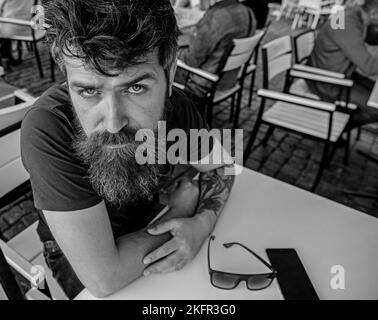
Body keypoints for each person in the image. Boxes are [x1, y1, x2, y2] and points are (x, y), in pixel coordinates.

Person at [21, 0, 235, 299]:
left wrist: (204, 221)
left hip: (147, 222)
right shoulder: (49, 127)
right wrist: (182, 209)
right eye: (89, 91)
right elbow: (105, 278)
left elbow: (222, 166)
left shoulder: (176, 107)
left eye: (135, 88)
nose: (113, 123)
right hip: (74, 253)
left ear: (170, 70)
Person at [307, 0, 378, 129]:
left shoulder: (349, 13)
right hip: (326, 81)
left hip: (333, 71)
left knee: (375, 93)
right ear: (373, 13)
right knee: (376, 108)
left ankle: (340, 117)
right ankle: (334, 129)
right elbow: (369, 67)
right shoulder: (348, 25)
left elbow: (364, 37)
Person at [175, 0, 257, 99]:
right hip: (228, 79)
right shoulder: (248, 13)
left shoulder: (216, 16)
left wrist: (174, 50)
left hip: (203, 82)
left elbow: (191, 60)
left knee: (160, 59)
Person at [0, 0, 36, 65]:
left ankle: (5, 56)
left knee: (3, 24)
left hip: (13, 28)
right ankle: (6, 53)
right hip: (31, 28)